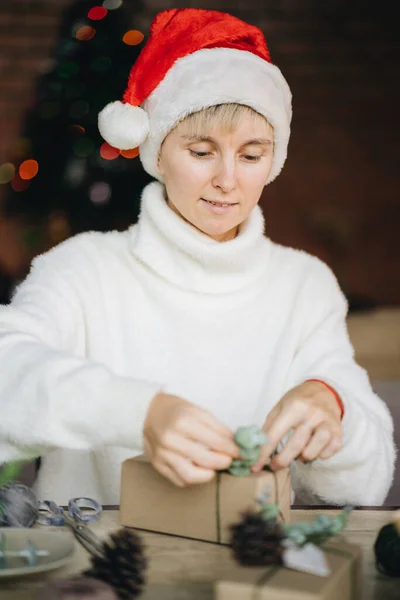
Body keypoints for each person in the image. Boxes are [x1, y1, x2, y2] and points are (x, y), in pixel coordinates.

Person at [0, 8, 395, 506]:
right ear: (158, 153)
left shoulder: (304, 285)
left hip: (248, 575)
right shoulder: (83, 270)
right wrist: (139, 413)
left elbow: (368, 483)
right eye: (202, 151)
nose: (228, 180)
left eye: (251, 155)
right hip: (99, 576)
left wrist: (333, 406)